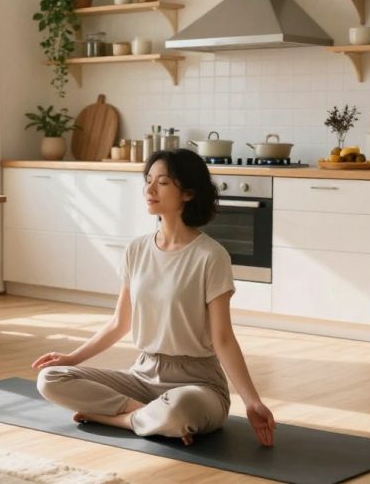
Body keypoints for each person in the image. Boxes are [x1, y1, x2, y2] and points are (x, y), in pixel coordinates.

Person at [32, 148, 275, 447]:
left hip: (197, 385)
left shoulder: (211, 256)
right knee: (50, 378)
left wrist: (252, 401)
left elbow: (223, 339)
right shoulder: (137, 250)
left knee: (178, 410)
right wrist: (71, 358)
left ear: (187, 193)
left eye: (162, 182)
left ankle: (115, 418)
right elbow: (119, 323)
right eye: (148, 180)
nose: (149, 189)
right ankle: (145, 417)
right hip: (142, 376)